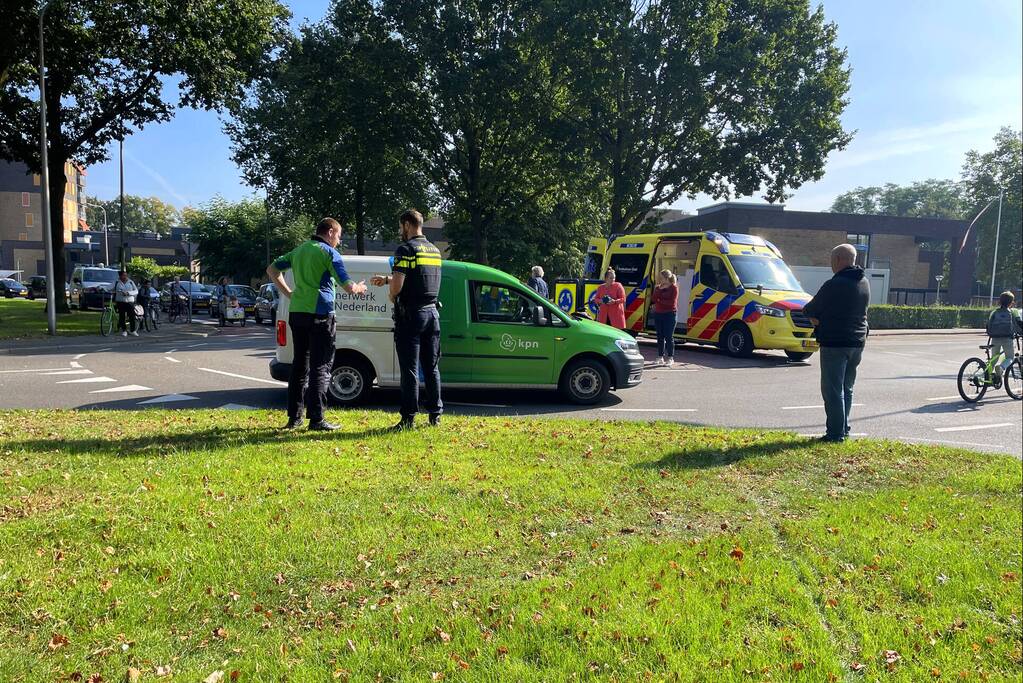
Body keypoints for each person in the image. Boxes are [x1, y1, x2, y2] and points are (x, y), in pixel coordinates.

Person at [267, 217, 367, 432]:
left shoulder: (299, 251)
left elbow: (272, 270)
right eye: (338, 236)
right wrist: (360, 287)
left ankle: (294, 418)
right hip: (321, 314)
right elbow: (348, 286)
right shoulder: (329, 253)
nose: (338, 241)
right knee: (321, 366)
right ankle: (317, 419)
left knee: (299, 365)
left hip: (298, 313)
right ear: (330, 232)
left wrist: (289, 294)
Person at [371, 209, 443, 430]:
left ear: (407, 225)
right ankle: (435, 415)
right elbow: (418, 278)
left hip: (411, 315)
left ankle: (408, 418)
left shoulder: (406, 249)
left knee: (410, 370)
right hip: (432, 314)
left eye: (401, 227)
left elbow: (399, 285)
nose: (400, 231)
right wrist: (386, 279)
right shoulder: (434, 251)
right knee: (431, 368)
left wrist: (392, 293)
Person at [802, 244, 870, 443]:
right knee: (847, 388)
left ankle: (835, 434)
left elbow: (810, 309)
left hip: (835, 343)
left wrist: (818, 319)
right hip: (857, 342)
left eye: (832, 260)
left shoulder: (834, 284)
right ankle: (844, 429)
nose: (831, 264)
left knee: (832, 390)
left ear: (839, 259)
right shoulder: (864, 282)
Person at [986, 291, 1022, 388]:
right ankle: (1001, 368)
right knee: (1010, 358)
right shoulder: (1013, 311)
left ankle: (987, 378)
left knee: (994, 358)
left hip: (995, 338)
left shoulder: (994, 312)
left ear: (1000, 301)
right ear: (1011, 302)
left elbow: (988, 325)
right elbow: (1020, 323)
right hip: (1007, 338)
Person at [651, 269, 678, 367]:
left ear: (667, 278)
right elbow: (653, 299)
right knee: (660, 336)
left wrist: (659, 301)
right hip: (658, 313)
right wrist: (658, 290)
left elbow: (671, 303)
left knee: (668, 336)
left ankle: (670, 358)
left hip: (670, 314)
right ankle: (660, 356)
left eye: (661, 278)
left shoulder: (673, 288)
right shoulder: (658, 287)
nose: (660, 280)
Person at [113, 270, 139, 337]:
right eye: (124, 275)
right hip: (120, 301)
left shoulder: (130, 282)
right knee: (122, 316)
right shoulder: (117, 282)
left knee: (132, 316)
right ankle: (124, 331)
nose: (125, 277)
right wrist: (101, 288)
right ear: (120, 276)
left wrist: (128, 293)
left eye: (126, 275)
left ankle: (133, 330)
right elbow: (109, 287)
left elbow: (136, 291)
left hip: (129, 301)